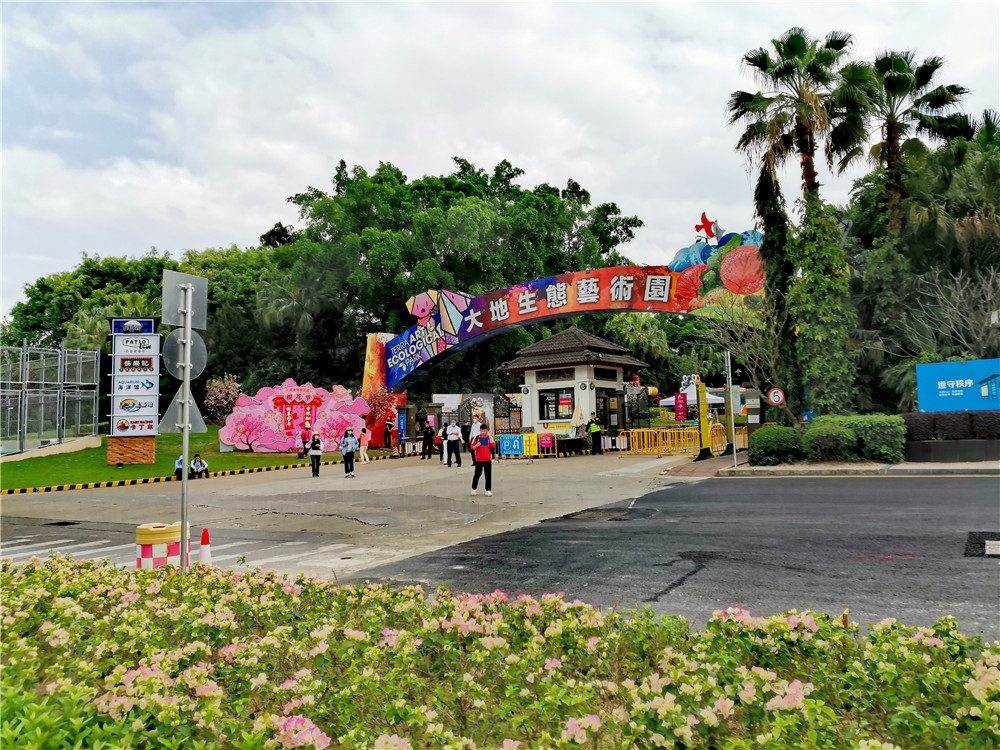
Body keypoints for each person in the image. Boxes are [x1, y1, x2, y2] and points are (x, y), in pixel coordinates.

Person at [470, 423, 496, 496]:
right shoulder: (477, 438)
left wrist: (490, 437)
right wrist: (477, 445)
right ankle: (474, 489)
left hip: (487, 459)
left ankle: (488, 490)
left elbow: (493, 446)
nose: (483, 432)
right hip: (479, 459)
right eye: (481, 430)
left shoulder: (489, 437)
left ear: (487, 431)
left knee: (488, 475)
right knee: (477, 474)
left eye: (484, 431)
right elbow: (472, 448)